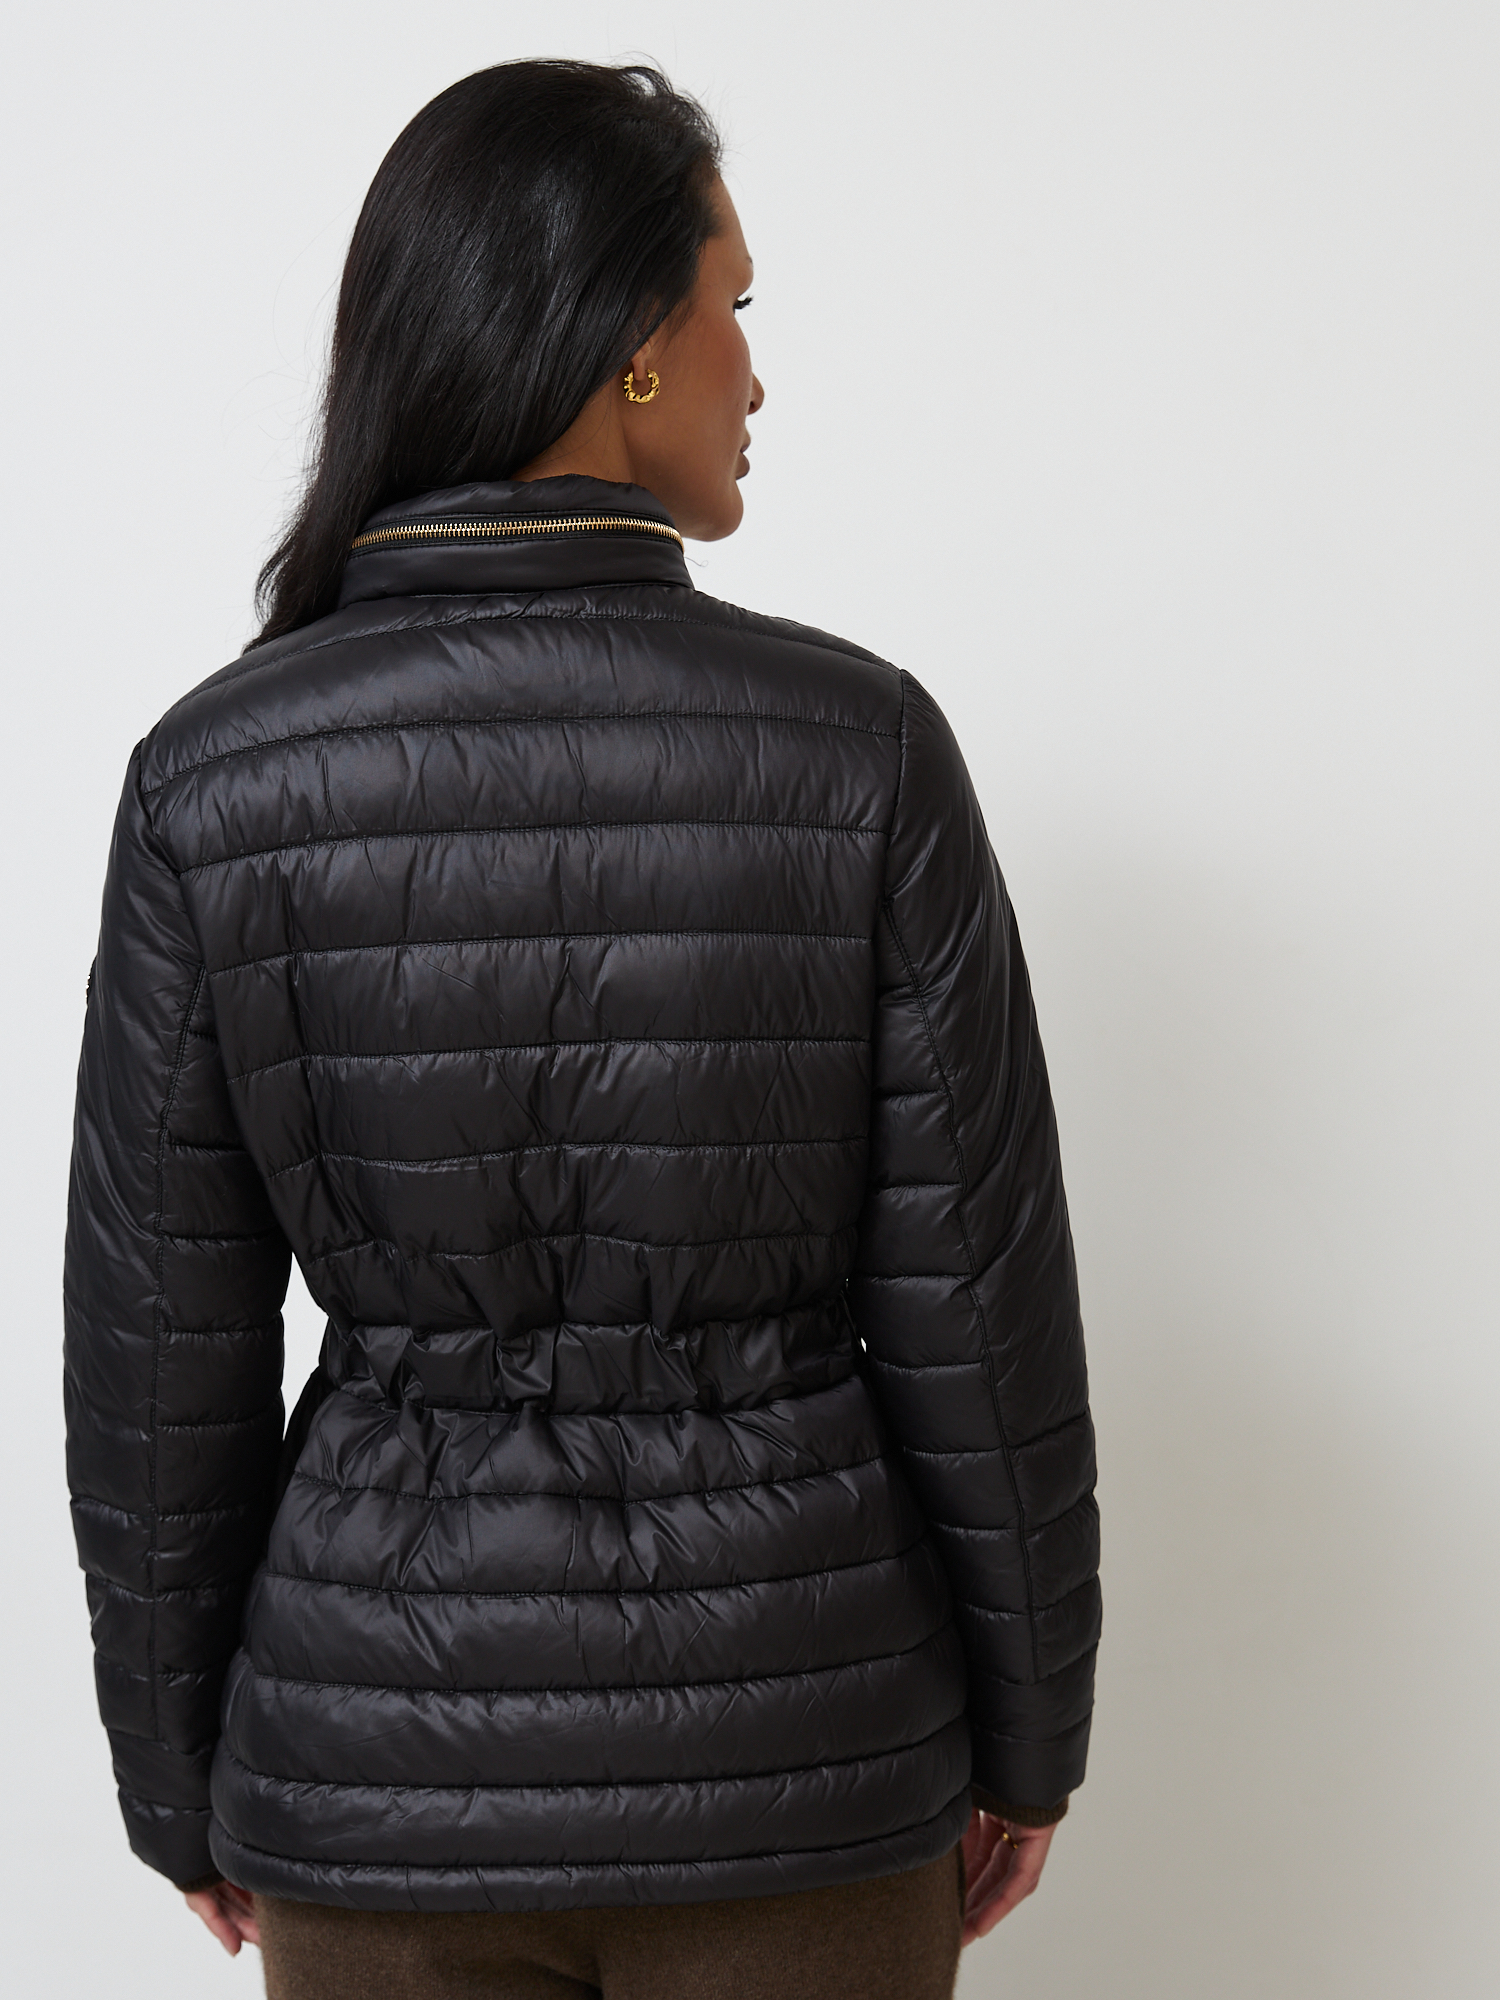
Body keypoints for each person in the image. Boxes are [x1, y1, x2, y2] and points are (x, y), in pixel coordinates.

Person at [63, 58, 1100, 2000]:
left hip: (381, 1795)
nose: (755, 374)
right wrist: (1034, 1734)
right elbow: (980, 1310)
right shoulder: (860, 750)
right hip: (800, 1769)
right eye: (735, 304)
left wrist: (177, 1778)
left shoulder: (217, 777)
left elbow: (156, 1360)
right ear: (631, 339)